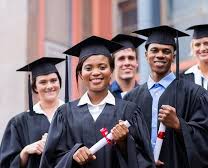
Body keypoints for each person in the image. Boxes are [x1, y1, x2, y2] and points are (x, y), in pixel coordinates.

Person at [39, 36, 154, 168]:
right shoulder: (64, 114)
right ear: (81, 74)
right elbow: (50, 161)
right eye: (88, 68)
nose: (95, 72)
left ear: (111, 71)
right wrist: (72, 156)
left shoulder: (129, 112)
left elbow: (145, 161)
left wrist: (124, 143)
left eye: (102, 67)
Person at [124, 25, 208, 168]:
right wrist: (144, 162)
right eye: (154, 50)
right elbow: (127, 142)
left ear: (174, 57)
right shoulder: (131, 99)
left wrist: (179, 124)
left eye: (166, 51)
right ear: (146, 55)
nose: (160, 55)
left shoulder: (195, 94)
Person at [0, 57, 65, 168]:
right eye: (43, 82)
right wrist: (25, 151)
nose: (49, 86)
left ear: (59, 83)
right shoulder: (19, 122)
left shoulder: (74, 114)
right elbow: (6, 164)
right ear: (35, 87)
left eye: (53, 80)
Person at [110, 34, 145, 99]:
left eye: (131, 58)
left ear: (137, 62)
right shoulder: (105, 96)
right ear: (113, 64)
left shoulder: (145, 95)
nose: (127, 63)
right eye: (121, 58)